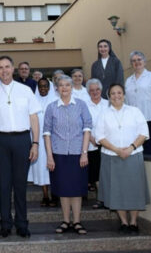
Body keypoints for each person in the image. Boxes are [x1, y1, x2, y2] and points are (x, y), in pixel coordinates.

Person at [0, 56, 40, 238]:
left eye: (7, 67)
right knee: (3, 185)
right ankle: (5, 224)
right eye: (0, 68)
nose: (4, 70)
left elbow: (34, 119)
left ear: (13, 68)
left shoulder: (26, 91)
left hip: (22, 140)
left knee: (20, 185)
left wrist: (35, 143)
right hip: (0, 141)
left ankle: (22, 224)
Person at [94, 84, 150, 234]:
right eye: (112, 93)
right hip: (111, 156)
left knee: (134, 190)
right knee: (116, 190)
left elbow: (143, 132)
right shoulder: (104, 114)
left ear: (124, 95)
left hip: (133, 155)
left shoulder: (135, 111)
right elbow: (99, 136)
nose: (116, 96)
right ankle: (124, 222)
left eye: (119, 93)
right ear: (109, 96)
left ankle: (133, 222)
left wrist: (131, 148)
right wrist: (117, 150)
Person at [44, 75, 92, 235]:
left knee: (77, 189)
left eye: (67, 85)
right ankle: (66, 221)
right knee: (64, 189)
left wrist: (84, 153)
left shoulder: (81, 105)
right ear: (56, 89)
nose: (64, 88)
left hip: (78, 154)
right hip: (59, 154)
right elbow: (47, 133)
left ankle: (77, 222)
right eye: (61, 85)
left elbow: (87, 129)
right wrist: (49, 156)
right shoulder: (51, 107)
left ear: (72, 88)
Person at [125, 51, 151, 155]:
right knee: (139, 153)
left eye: (139, 59)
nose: (137, 62)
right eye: (133, 61)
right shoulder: (128, 81)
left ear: (144, 61)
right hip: (135, 123)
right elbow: (126, 102)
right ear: (131, 64)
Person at [28, 78, 57, 207]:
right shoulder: (33, 101)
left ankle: (55, 195)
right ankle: (45, 195)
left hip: (54, 140)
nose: (43, 88)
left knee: (54, 168)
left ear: (49, 87)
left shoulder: (55, 101)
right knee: (41, 168)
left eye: (45, 86)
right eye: (40, 86)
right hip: (38, 140)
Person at [84, 79, 106, 207]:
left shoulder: (108, 104)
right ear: (88, 92)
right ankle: (101, 199)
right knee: (96, 174)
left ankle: (109, 198)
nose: (95, 92)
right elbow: (84, 125)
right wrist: (94, 140)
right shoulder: (84, 106)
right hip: (92, 145)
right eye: (91, 90)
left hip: (109, 145)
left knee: (107, 174)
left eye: (97, 89)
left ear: (101, 90)